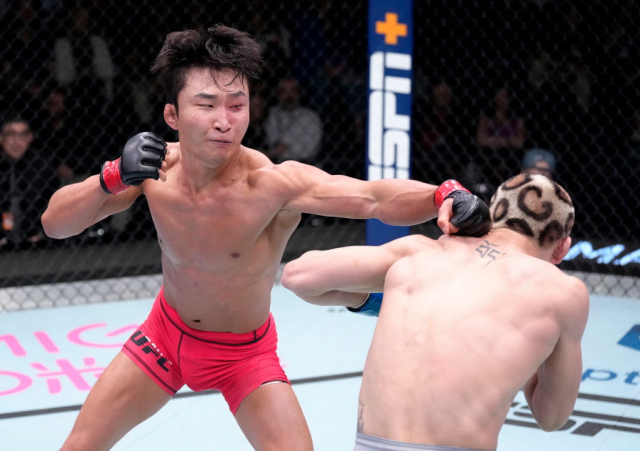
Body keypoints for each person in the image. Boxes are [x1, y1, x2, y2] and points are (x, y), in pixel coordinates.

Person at [41, 25, 491, 451]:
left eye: (237, 105)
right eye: (207, 105)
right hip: (163, 336)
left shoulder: (271, 184)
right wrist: (109, 178)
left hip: (243, 355)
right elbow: (54, 224)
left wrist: (441, 195)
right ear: (172, 115)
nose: (224, 121)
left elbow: (371, 198)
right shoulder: (153, 171)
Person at [282, 173, 589, 451]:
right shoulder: (563, 293)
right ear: (561, 248)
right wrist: (527, 349)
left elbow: (298, 276)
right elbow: (552, 417)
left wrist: (387, 300)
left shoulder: (421, 251)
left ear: (491, 216)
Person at [0, 116, 57, 248]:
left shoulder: (43, 166)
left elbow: (51, 202)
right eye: (11, 134)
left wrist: (41, 232)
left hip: (37, 239)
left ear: (30, 137)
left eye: (22, 135)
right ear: (1, 137)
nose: (17, 141)